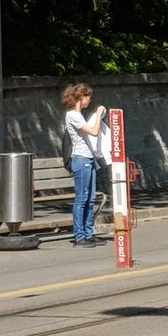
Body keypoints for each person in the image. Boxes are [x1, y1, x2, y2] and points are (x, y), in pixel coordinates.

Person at [61, 83, 106, 247]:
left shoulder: (78, 115)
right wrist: (98, 115)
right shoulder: (73, 115)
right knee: (81, 198)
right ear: (81, 97)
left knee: (90, 198)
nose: (90, 100)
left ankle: (88, 233)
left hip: (89, 159)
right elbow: (93, 131)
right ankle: (79, 236)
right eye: (88, 97)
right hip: (80, 159)